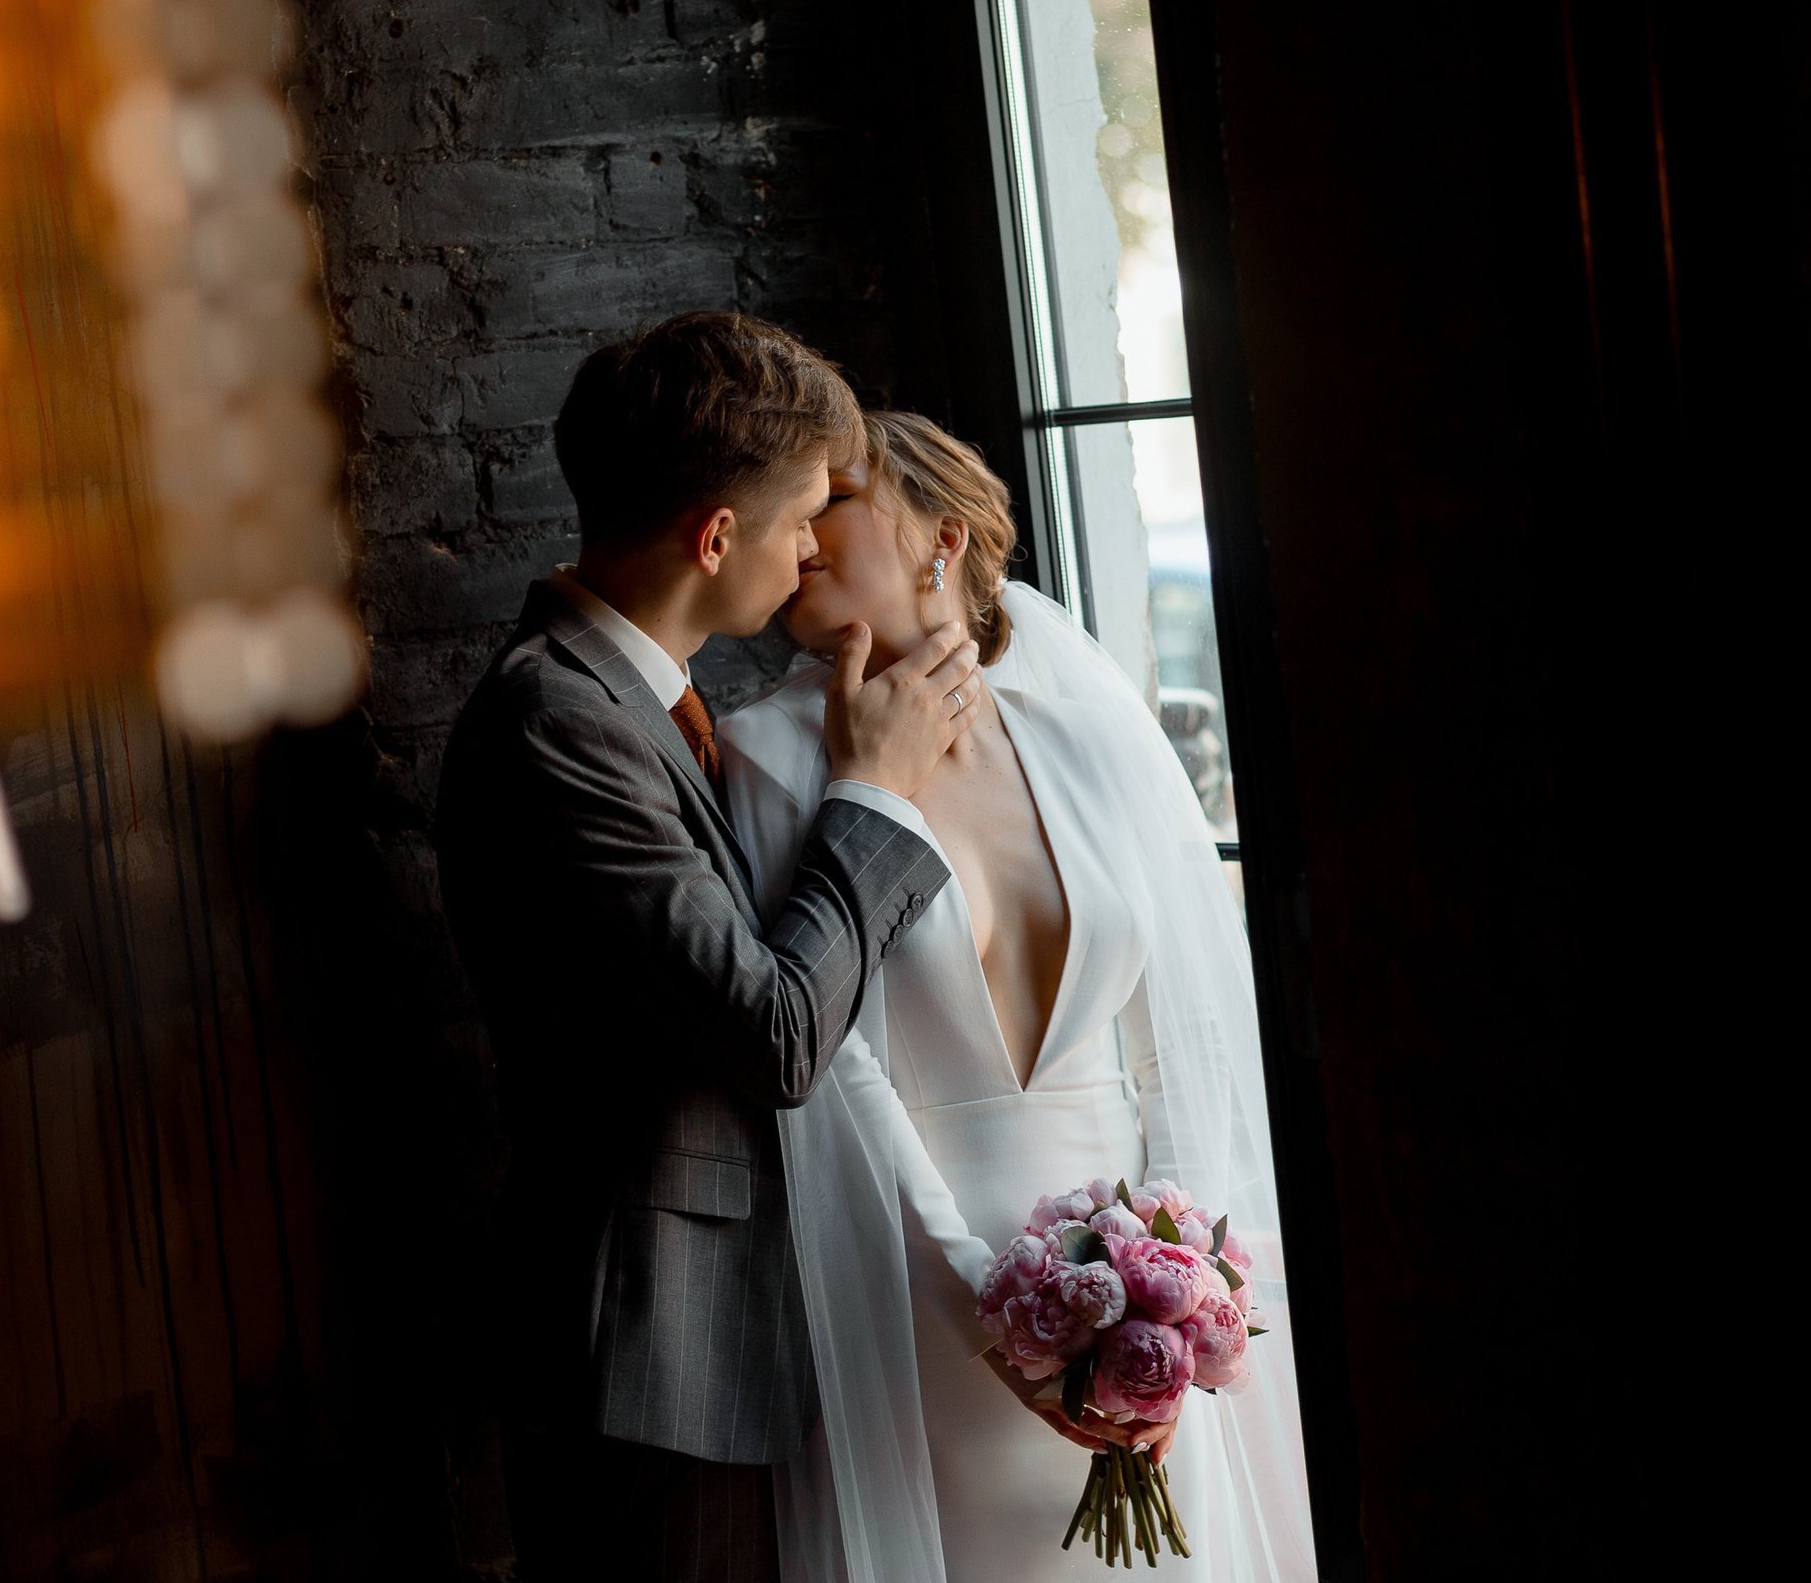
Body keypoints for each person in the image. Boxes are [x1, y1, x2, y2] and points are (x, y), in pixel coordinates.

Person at [718, 412, 1318, 1582]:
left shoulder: (1085, 736)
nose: (796, 528)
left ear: (939, 536)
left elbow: (1176, 1044)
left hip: (1142, 1322)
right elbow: (834, 1068)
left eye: (831, 497)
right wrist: (987, 1316)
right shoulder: (771, 754)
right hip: (916, 1302)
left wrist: (1177, 1293)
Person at [437, 318, 981, 1582]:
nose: (810, 554)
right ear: (716, 538)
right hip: (646, 1356)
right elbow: (776, 1035)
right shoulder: (554, 722)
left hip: (720, 1346)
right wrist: (878, 793)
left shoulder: (651, 706)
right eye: (800, 520)